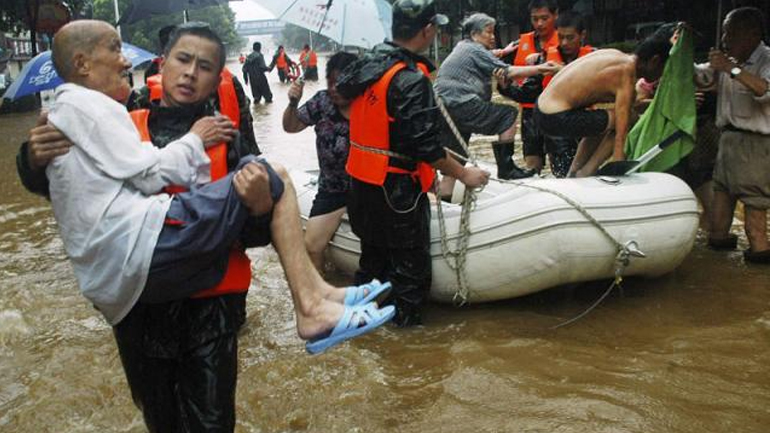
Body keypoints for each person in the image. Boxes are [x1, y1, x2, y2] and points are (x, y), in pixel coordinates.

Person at [18, 21, 394, 432]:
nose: (191, 73)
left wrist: (257, 206)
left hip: (209, 310)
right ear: (163, 65)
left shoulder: (230, 133)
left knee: (212, 423)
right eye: (183, 60)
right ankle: (314, 302)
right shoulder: (118, 111)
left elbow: (261, 228)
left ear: (220, 77)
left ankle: (314, 301)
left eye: (205, 66)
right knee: (160, 420)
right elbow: (68, 190)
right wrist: (31, 158)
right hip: (144, 312)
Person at [336, 0, 491, 327]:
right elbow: (427, 148)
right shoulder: (409, 80)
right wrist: (464, 174)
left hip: (360, 184)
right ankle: (407, 352)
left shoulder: (363, 67)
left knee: (372, 263)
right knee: (409, 275)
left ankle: (364, 332)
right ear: (427, 30)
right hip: (396, 192)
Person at [434, 13, 558, 184]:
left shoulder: (463, 47)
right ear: (474, 34)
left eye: (493, 33)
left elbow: (489, 56)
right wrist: (541, 68)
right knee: (508, 115)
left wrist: (503, 52)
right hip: (460, 103)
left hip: (443, 108)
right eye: (489, 33)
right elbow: (510, 72)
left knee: (458, 154)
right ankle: (506, 168)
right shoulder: (474, 49)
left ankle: (446, 193)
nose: (493, 37)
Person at [533, 37, 671, 177]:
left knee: (604, 121)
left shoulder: (617, 56)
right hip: (555, 117)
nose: (661, 75)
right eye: (663, 68)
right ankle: (587, 172)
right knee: (630, 118)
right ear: (655, 61)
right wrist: (619, 160)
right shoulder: (626, 71)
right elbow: (622, 127)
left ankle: (574, 172)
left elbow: (632, 104)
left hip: (541, 111)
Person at [697, 7, 770, 264]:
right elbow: (700, 75)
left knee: (755, 225)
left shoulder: (766, 60)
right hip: (726, 141)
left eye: (731, 33)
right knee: (717, 225)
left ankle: (758, 280)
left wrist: (732, 69)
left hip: (755, 146)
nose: (725, 39)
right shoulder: (726, 58)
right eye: (725, 32)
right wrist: (678, 51)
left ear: (753, 33)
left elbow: (764, 90)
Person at [282, 51, 358, 271]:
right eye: (330, 82)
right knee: (312, 246)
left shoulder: (370, 103)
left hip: (367, 188)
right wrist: (292, 103)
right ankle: (320, 293)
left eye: (340, 83)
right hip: (332, 189)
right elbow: (290, 127)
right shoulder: (322, 101)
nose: (334, 89)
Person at [496, 0, 560, 174]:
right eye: (535, 19)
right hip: (530, 113)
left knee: (562, 165)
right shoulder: (519, 45)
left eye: (544, 18)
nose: (539, 23)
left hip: (559, 112)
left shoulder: (567, 41)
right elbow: (501, 71)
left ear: (555, 16)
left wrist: (541, 58)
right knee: (532, 165)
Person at [535, 11, 595, 177]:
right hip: (557, 124)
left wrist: (562, 71)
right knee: (563, 171)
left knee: (586, 173)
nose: (564, 42)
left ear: (582, 35)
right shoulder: (546, 58)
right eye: (560, 37)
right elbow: (529, 93)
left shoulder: (594, 57)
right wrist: (505, 87)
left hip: (584, 121)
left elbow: (598, 85)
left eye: (570, 37)